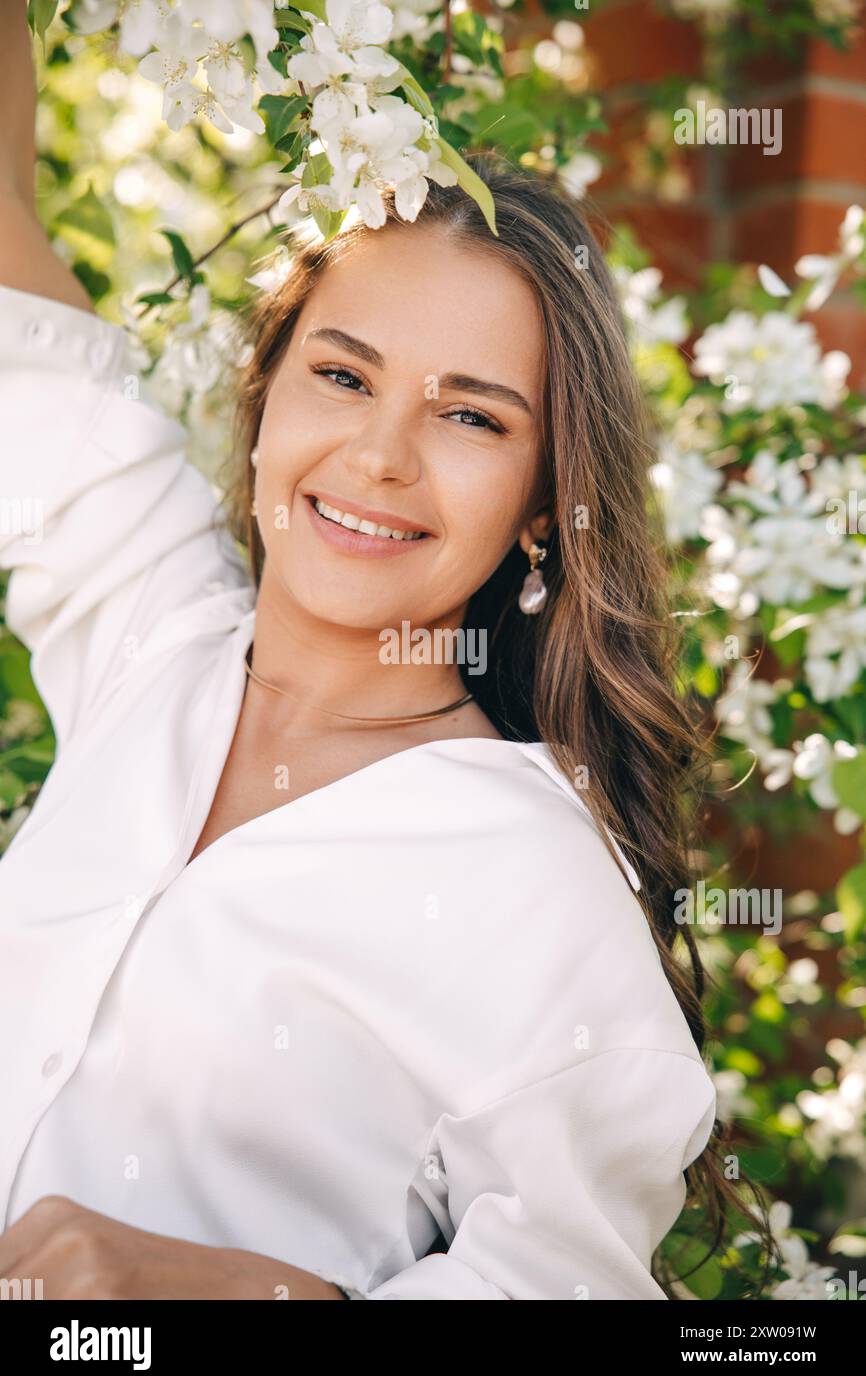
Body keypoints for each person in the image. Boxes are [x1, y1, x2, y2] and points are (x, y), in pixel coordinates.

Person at [0, 4, 730, 1300]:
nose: (382, 453)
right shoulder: (152, 638)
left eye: (469, 414)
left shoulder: (536, 881)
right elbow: (19, 324)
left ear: (543, 501)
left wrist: (251, 1291)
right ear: (267, 390)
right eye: (342, 375)